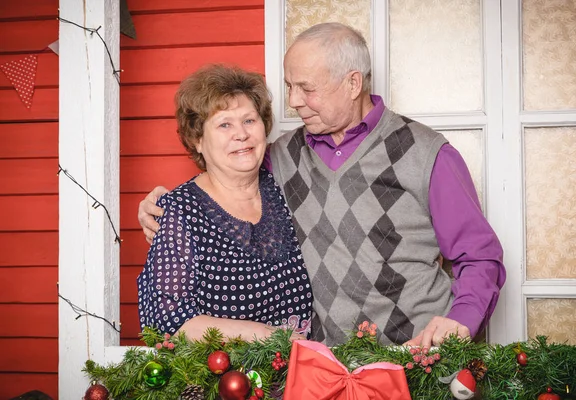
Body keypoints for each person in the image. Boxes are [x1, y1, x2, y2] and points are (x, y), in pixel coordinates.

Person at [139, 23, 506, 349]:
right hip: (326, 370)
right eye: (289, 87)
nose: (294, 101)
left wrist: (462, 320)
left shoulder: (425, 152)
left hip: (419, 361)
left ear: (352, 83)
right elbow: (225, 174)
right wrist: (163, 205)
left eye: (306, 88)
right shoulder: (280, 157)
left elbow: (479, 255)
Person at [136, 64, 312, 342]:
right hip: (221, 379)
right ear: (198, 140)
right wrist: (267, 337)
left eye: (249, 121)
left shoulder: (285, 186)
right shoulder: (180, 211)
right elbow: (168, 320)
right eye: (224, 124)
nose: (241, 134)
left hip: (302, 376)